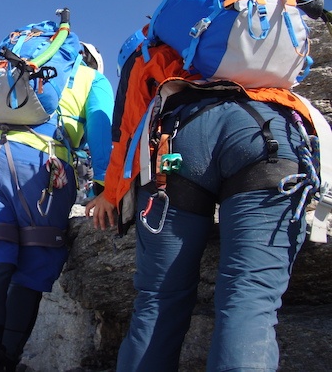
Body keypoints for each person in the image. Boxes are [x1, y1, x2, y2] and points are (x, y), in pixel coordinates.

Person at [86, 37, 324, 371]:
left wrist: (111, 193)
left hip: (179, 137)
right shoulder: (273, 30)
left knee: (158, 298)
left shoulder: (150, 42)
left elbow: (130, 126)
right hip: (268, 129)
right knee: (249, 296)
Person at [0, 21, 114, 372]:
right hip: (42, 164)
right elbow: (102, 134)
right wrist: (104, 186)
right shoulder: (93, 79)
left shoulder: (27, 66)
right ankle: (4, 361)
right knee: (33, 267)